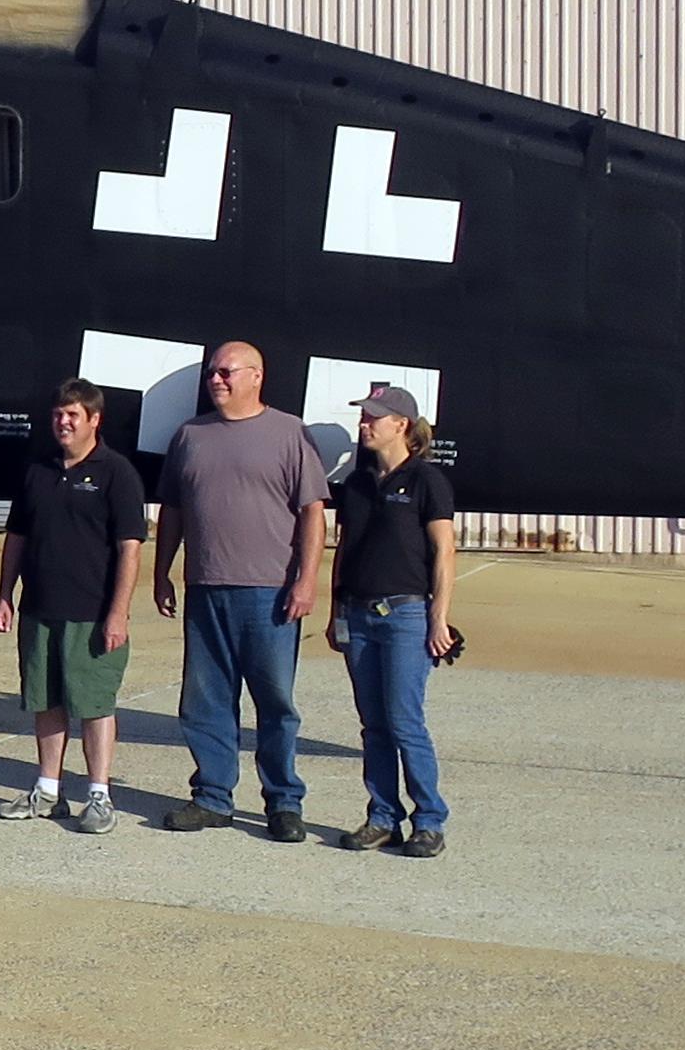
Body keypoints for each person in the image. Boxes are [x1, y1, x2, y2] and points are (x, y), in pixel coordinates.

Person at [149, 341, 327, 840]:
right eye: (212, 373)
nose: (217, 380)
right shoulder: (190, 436)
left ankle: (284, 803)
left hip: (269, 594)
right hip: (206, 587)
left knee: (274, 703)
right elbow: (174, 511)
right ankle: (212, 796)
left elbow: (312, 512)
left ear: (256, 377)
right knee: (205, 701)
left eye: (226, 372)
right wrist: (163, 571)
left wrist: (306, 580)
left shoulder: (289, 434)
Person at [0, 378, 147, 831]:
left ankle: (99, 796)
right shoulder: (37, 470)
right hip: (40, 610)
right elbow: (15, 538)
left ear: (94, 420)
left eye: (73, 415)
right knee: (46, 700)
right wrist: (5, 596)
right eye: (58, 414)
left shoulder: (117, 473)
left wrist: (118, 613)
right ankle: (47, 790)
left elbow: (130, 548)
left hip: (93, 616)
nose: (63, 422)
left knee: (95, 704)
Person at [324, 382, 456, 856]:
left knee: (404, 720)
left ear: (401, 425)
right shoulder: (356, 484)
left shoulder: (426, 481)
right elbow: (345, 550)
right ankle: (382, 816)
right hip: (359, 616)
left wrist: (437, 619)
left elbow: (443, 552)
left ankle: (429, 819)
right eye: (363, 416)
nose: (364, 424)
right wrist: (336, 610)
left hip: (405, 615)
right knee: (373, 724)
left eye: (373, 417)